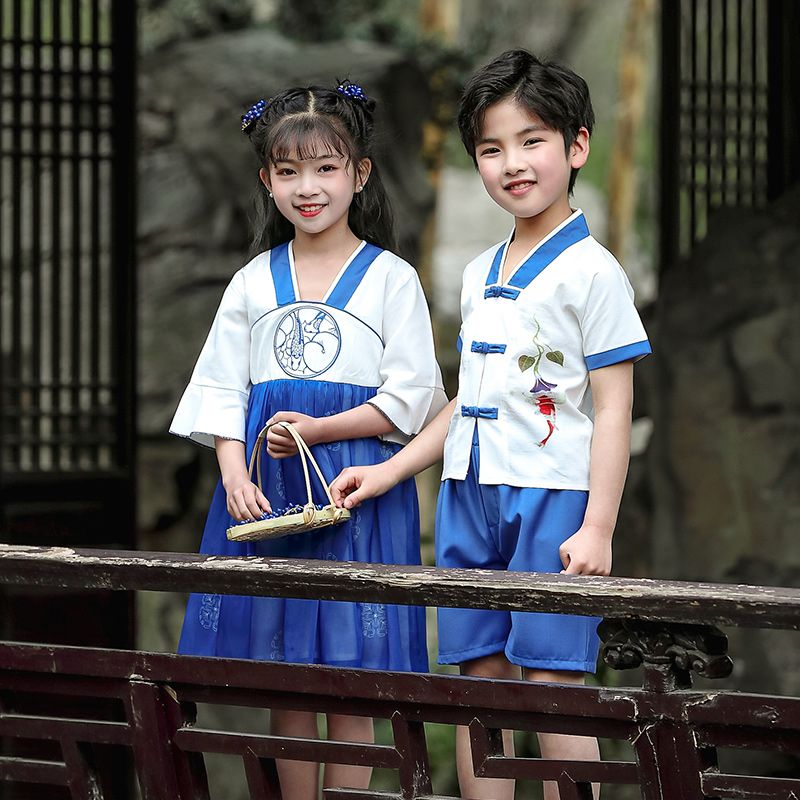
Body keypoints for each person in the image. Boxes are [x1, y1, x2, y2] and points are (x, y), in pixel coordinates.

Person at [330, 50, 651, 800]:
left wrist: (598, 523)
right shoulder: (479, 273)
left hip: (549, 495)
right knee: (480, 675)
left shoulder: (595, 273)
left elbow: (613, 406)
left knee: (550, 676)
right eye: (491, 148)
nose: (512, 163)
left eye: (532, 140)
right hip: (466, 492)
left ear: (578, 147)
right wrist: (390, 469)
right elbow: (465, 399)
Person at [169, 80, 446, 799]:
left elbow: (411, 399)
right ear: (267, 180)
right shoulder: (252, 283)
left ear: (360, 173)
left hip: (357, 492)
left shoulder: (392, 280)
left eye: (326, 168)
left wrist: (322, 429)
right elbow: (222, 390)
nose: (307, 187)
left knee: (352, 688)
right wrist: (233, 470)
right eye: (288, 172)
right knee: (286, 683)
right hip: (271, 498)